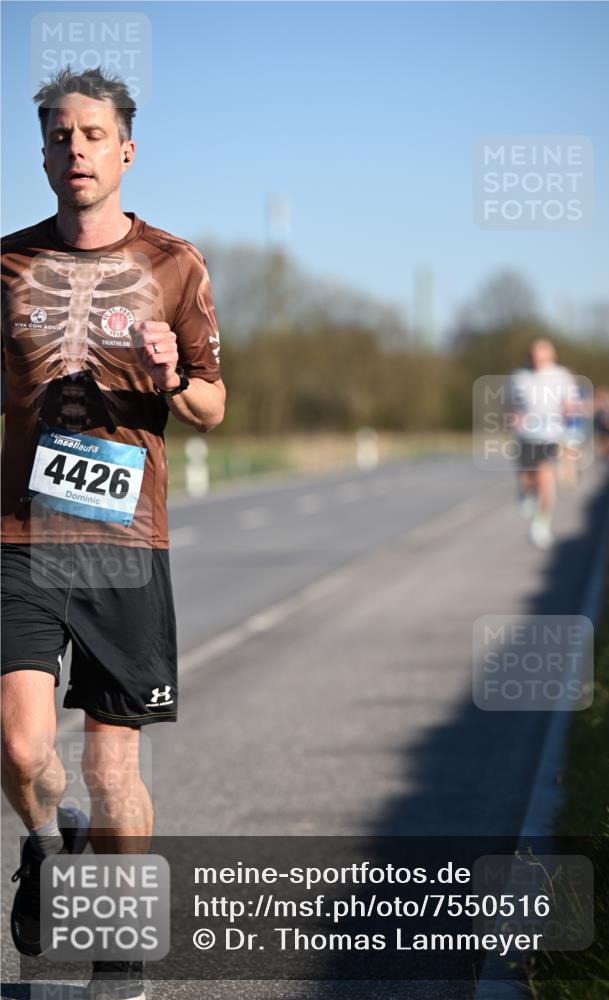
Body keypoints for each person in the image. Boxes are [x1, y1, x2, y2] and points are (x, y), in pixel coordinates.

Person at [1, 67, 225, 1000]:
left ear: (125, 150)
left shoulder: (176, 263)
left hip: (126, 546)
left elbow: (212, 408)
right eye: (59, 135)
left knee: (111, 760)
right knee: (21, 748)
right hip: (21, 537)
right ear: (43, 152)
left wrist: (174, 376)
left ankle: (120, 953)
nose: (75, 149)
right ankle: (48, 845)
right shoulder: (6, 266)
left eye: (92, 135)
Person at [507, 338, 578, 549]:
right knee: (529, 479)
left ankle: (541, 525)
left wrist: (569, 416)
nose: (538, 358)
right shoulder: (519, 377)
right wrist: (512, 417)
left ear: (551, 355)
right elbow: (507, 404)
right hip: (526, 436)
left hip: (551, 434)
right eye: (535, 354)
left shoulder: (562, 376)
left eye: (543, 353)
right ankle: (527, 492)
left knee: (546, 479)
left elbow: (571, 404)